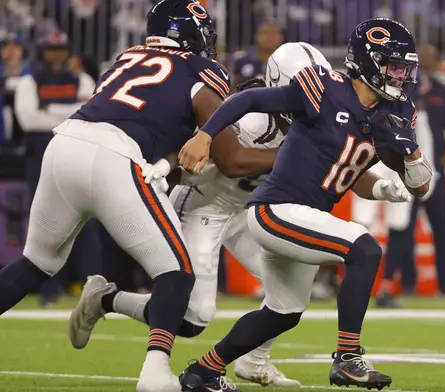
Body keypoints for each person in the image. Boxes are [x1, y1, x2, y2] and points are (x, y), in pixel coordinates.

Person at [0, 1, 275, 392]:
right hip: (115, 157)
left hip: (64, 145)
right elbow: (230, 160)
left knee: (34, 263)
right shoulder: (202, 70)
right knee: (176, 272)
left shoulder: (125, 58)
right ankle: (155, 372)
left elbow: (151, 120)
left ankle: (121, 321)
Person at [177, 18, 432, 392]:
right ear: (367, 62)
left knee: (284, 312)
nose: (400, 76)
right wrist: (205, 135)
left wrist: (409, 151)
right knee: (364, 248)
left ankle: (203, 372)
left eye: (403, 68)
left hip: (304, 215)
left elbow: (420, 186)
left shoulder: (396, 112)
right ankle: (348, 357)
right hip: (276, 208)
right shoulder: (323, 88)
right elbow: (248, 98)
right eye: (393, 67)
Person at [70, 41, 334, 389]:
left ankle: (254, 361)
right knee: (194, 318)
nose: (317, 98)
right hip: (202, 202)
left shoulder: (315, 118)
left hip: (247, 208)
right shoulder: (251, 116)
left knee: (296, 277)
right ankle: (105, 299)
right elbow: (228, 160)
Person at [13, 31, 103, 306]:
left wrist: (47, 108)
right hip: (40, 157)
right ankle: (49, 289)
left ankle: (94, 288)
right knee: (43, 223)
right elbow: (28, 120)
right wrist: (72, 111)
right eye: (51, 49)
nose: (56, 54)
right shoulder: (30, 80)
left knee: (87, 223)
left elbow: (92, 114)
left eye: (61, 49)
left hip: (77, 154)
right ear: (42, 51)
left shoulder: (81, 79)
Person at [376, 43, 445, 307]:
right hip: (405, 169)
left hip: (434, 170)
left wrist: (443, 159)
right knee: (401, 226)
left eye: (429, 59)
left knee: (441, 229)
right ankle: (402, 283)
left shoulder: (443, 92)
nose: (425, 64)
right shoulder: (398, 91)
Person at [229, 21, 284, 90]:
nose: (269, 37)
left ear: (281, 37)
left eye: (274, 34)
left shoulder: (289, 63)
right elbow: (231, 88)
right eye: (265, 33)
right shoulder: (241, 60)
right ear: (256, 36)